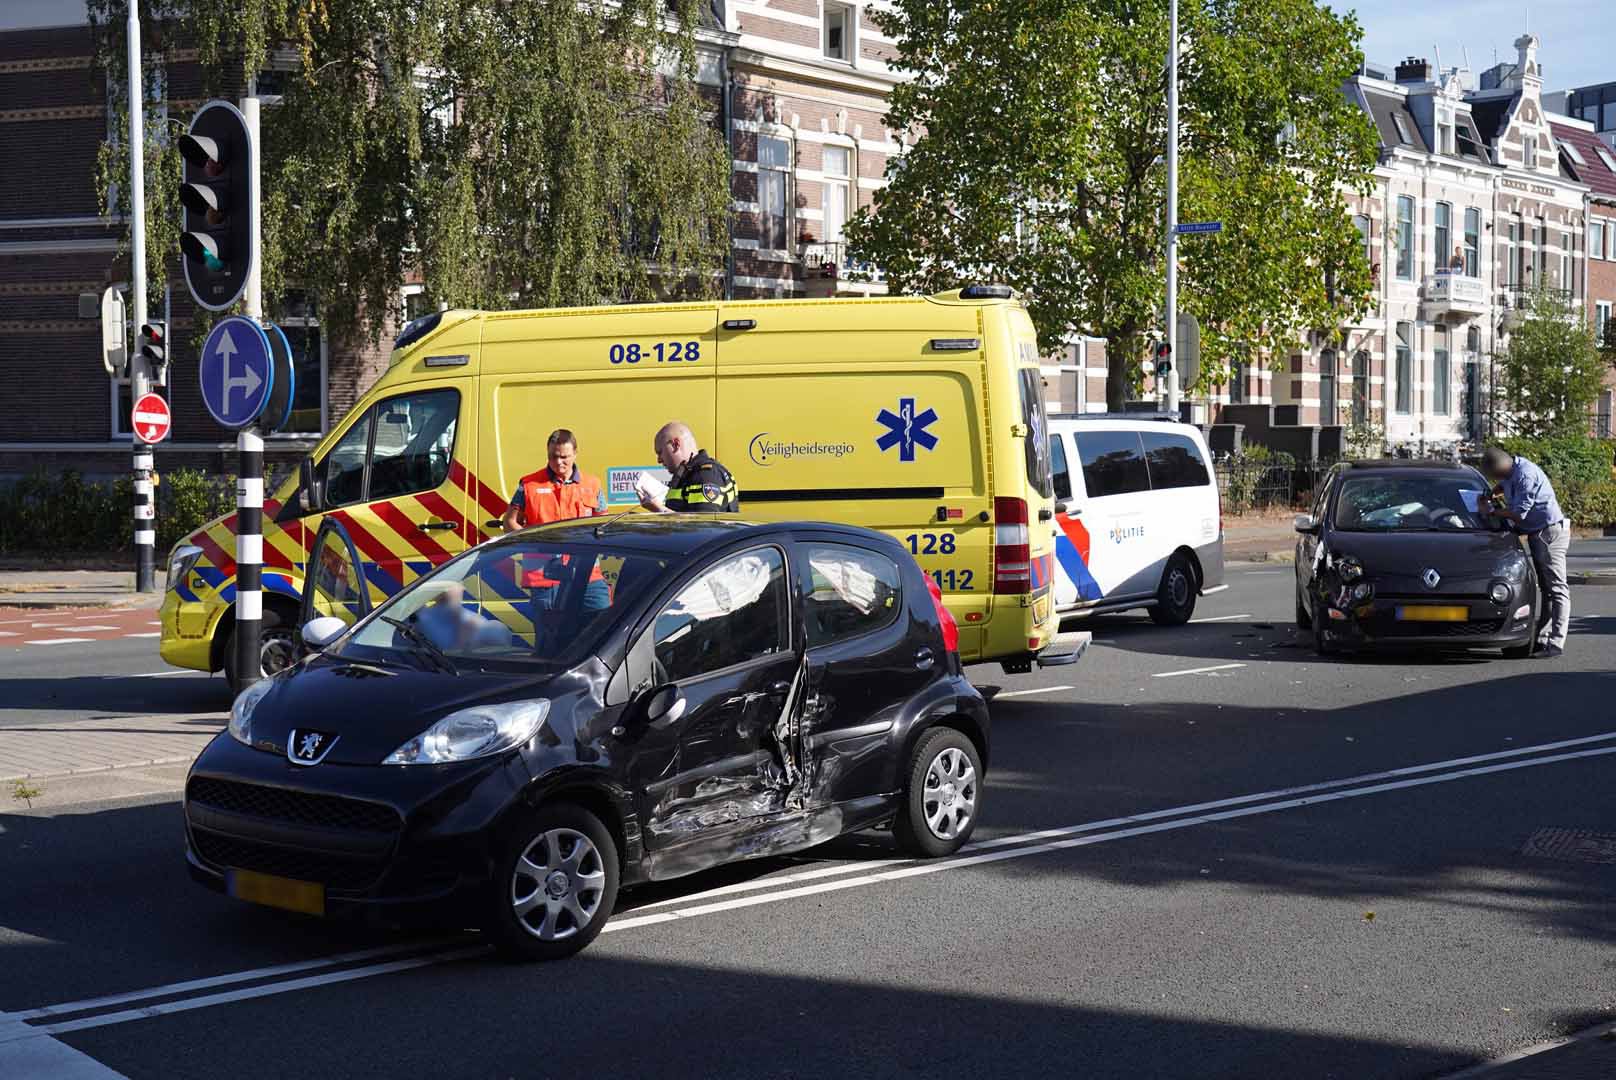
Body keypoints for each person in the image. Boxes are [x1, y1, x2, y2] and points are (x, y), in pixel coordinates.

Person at [503, 429, 609, 626]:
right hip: (545, 578)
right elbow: (509, 523)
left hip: (587, 575)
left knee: (603, 628)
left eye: (564, 457)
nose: (558, 462)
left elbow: (603, 524)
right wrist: (534, 542)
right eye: (553, 456)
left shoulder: (592, 484)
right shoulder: (529, 484)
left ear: (575, 453)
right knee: (550, 638)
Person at [1479, 446, 1570, 657]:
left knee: (1557, 588)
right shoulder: (1512, 470)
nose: (1497, 480)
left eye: (1496, 476)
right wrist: (1493, 492)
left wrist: (1492, 511)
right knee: (1547, 588)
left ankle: (1555, 643)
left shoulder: (1525, 475)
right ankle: (1543, 640)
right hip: (1537, 533)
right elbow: (1505, 485)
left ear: (1501, 468)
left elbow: (1519, 513)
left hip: (1549, 533)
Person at [640, 420, 739, 514]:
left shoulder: (706, 476)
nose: (659, 460)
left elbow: (703, 523)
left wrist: (658, 508)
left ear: (676, 444)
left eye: (660, 452)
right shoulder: (686, 475)